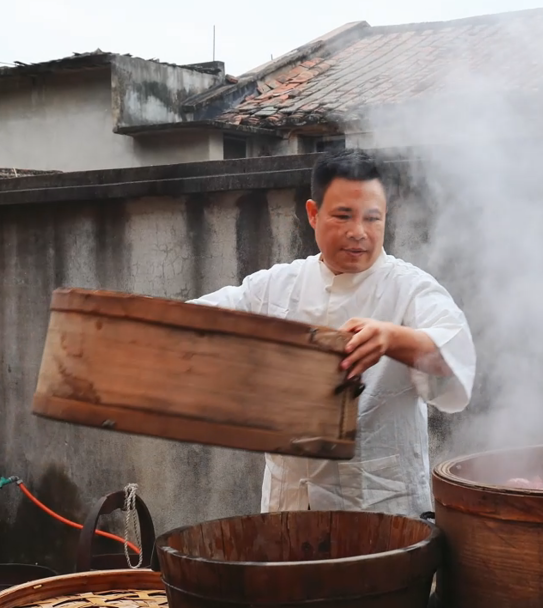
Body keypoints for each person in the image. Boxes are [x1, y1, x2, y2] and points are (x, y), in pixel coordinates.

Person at [188, 148, 476, 517]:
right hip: (287, 506)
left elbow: (454, 349)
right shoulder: (278, 285)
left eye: (372, 218)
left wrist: (391, 338)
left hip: (379, 510)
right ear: (313, 213)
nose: (358, 233)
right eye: (343, 216)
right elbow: (198, 320)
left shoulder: (410, 288)